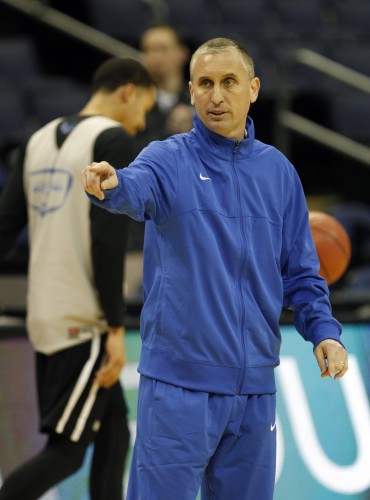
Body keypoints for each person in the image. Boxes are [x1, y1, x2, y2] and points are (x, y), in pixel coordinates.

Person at [81, 38, 348, 500]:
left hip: (255, 390)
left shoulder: (279, 173)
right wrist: (113, 182)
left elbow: (302, 273)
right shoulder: (168, 159)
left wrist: (324, 332)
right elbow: (135, 186)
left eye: (229, 82)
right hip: (178, 388)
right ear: (190, 91)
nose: (216, 95)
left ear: (254, 89)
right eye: (204, 83)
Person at [0, 57, 156, 500]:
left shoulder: (38, 138)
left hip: (45, 314)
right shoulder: (112, 140)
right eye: (143, 106)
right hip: (82, 318)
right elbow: (106, 242)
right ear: (128, 90)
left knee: (113, 438)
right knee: (66, 453)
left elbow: (6, 226)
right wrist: (113, 326)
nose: (143, 121)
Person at [136, 24, 194, 149]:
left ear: (182, 53)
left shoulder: (198, 100)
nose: (154, 56)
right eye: (147, 50)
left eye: (162, 49)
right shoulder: (133, 102)